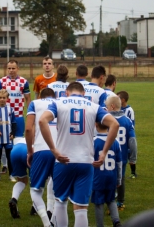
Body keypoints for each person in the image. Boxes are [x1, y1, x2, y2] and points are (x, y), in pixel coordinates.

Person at [39, 82, 119, 227]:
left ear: (66, 93)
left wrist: (53, 149)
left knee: (61, 202)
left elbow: (42, 120)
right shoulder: (93, 106)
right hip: (85, 161)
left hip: (63, 160)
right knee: (81, 208)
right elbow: (115, 124)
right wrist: (104, 152)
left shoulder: (59, 102)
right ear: (83, 94)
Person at [26, 88, 57, 227]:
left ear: (40, 96)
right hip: (59, 151)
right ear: (54, 96)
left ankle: (46, 223)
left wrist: (29, 151)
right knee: (60, 191)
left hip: (41, 149)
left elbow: (28, 128)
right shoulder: (60, 103)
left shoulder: (34, 103)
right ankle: (55, 219)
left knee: (35, 190)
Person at [0, 60, 31, 181]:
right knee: (4, 141)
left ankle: (18, 165)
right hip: (5, 116)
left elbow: (28, 99)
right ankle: (5, 165)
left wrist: (30, 114)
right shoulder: (1, 81)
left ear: (17, 68)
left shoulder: (23, 82)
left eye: (13, 68)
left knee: (18, 141)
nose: (11, 70)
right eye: (9, 68)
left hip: (19, 116)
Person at [105, 96, 137, 211]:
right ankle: (120, 203)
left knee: (110, 178)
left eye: (107, 106)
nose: (106, 109)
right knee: (121, 178)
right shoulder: (127, 121)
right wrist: (133, 157)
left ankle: (111, 203)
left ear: (112, 106)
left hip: (108, 154)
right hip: (122, 156)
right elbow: (132, 141)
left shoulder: (106, 120)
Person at [91, 122, 122, 227]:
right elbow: (119, 163)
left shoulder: (93, 142)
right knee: (111, 200)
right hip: (111, 177)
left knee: (99, 203)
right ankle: (116, 221)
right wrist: (119, 179)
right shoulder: (116, 142)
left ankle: (100, 225)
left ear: (96, 125)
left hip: (98, 177)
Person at [117, 90, 136, 178]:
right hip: (119, 133)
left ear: (123, 100)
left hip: (126, 133)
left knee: (129, 153)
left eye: (118, 98)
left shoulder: (129, 110)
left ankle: (133, 172)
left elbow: (131, 123)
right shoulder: (118, 108)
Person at [8, 136, 29, 218]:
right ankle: (35, 208)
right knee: (35, 183)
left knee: (22, 180)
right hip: (28, 150)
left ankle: (14, 199)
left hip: (15, 150)